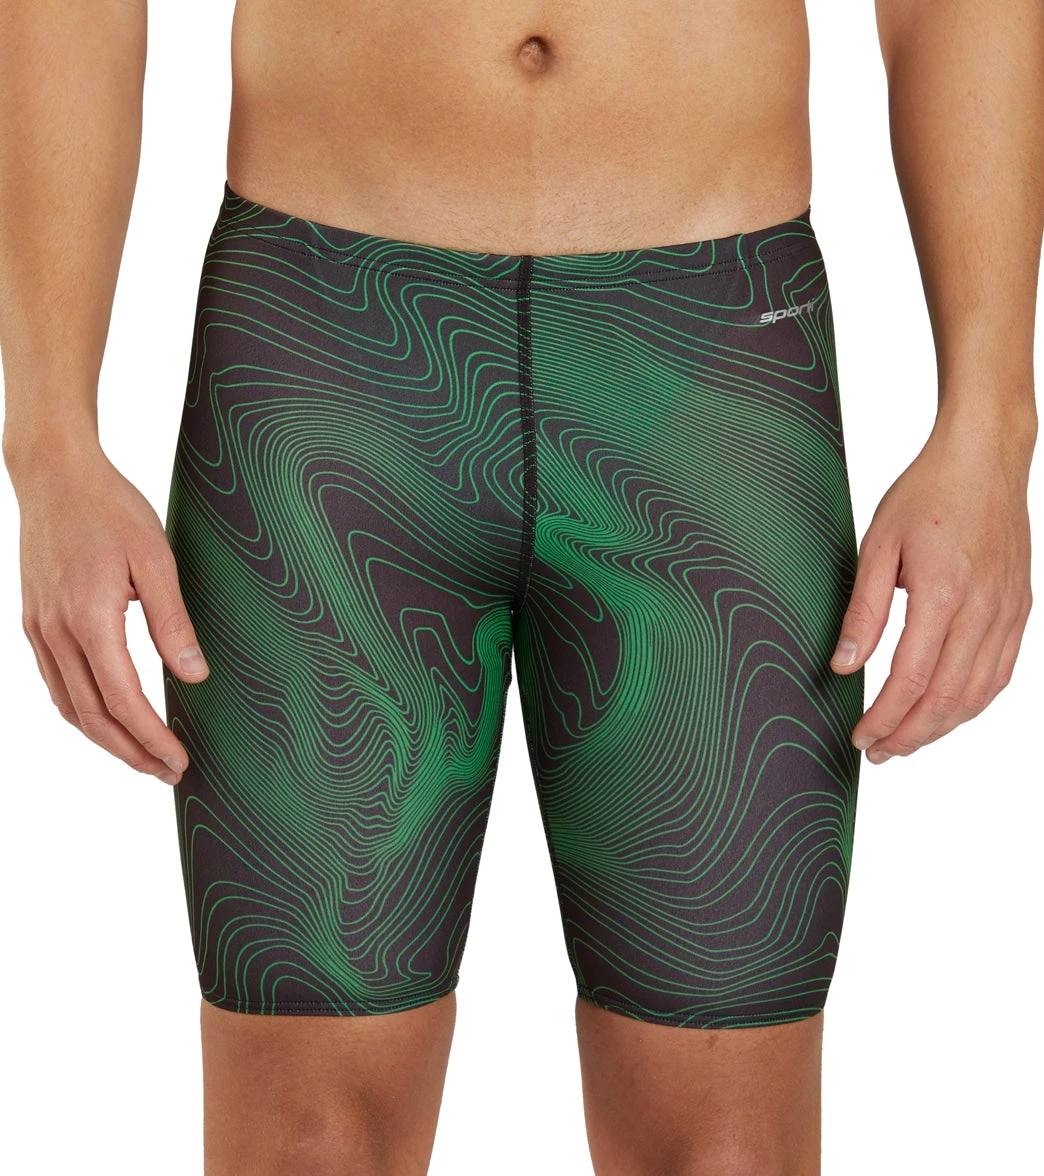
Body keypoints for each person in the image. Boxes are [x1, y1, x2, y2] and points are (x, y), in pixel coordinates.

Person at [0, 0, 1039, 1172]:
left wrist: (991, 429)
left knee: (725, 1152)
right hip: (329, 369)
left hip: (708, 380)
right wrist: (50, 447)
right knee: (306, 1146)